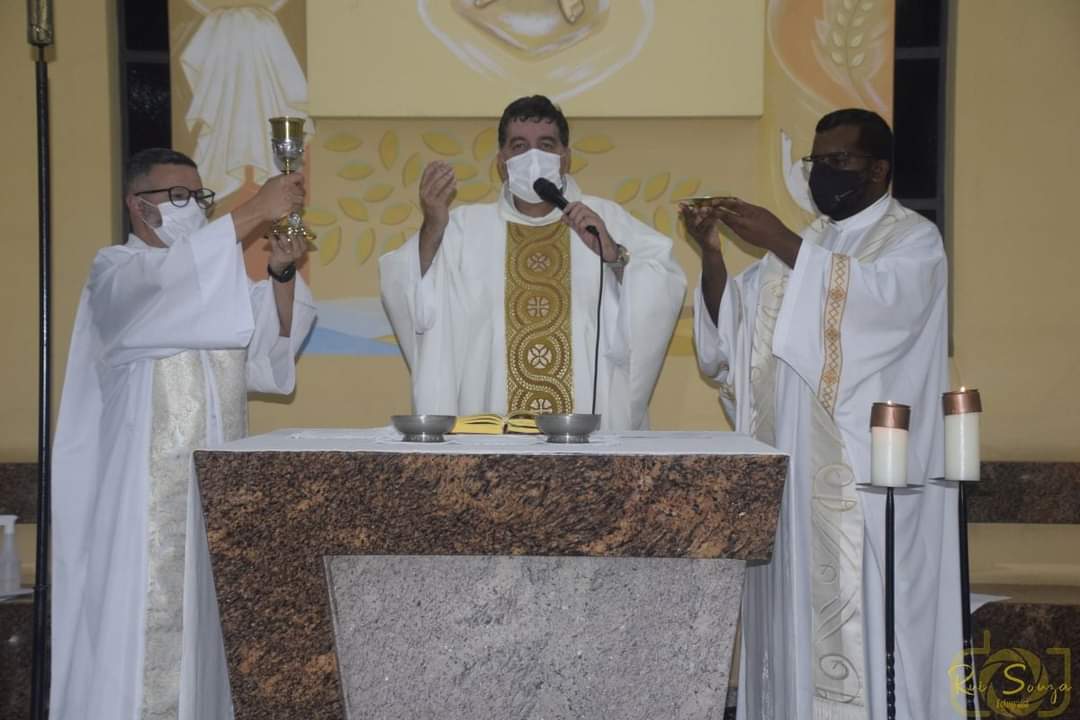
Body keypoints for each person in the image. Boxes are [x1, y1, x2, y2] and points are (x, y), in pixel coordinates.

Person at [682, 109, 960, 720]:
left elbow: (873, 313)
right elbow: (729, 349)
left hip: (863, 489)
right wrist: (711, 257)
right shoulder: (810, 248)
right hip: (792, 487)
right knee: (790, 633)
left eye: (839, 162)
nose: (822, 175)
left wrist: (781, 237)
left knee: (863, 628)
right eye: (816, 162)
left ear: (878, 169)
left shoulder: (912, 241)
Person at [50, 148, 316, 720]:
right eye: (176, 197)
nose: (190, 208)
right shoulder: (117, 273)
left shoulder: (210, 285)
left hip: (211, 504)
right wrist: (254, 210)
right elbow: (171, 284)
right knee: (143, 639)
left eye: (197, 197)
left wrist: (282, 272)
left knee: (208, 648)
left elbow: (269, 362)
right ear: (136, 206)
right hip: (142, 515)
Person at [380, 95, 686, 429]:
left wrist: (614, 256)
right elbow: (413, 297)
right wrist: (433, 226)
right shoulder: (463, 228)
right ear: (502, 161)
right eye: (519, 146)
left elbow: (662, 285)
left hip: (584, 431)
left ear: (565, 157)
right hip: (490, 428)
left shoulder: (605, 220)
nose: (533, 157)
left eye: (546, 145)